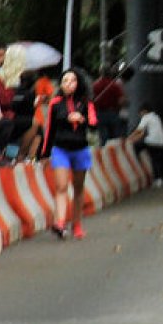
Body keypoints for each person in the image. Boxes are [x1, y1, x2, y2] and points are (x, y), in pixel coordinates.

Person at [41, 68, 98, 239]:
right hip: (60, 150)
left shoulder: (86, 103)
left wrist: (82, 119)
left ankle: (77, 224)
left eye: (72, 81)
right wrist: (44, 153)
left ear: (78, 83)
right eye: (65, 81)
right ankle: (60, 222)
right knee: (61, 186)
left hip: (80, 150)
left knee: (78, 188)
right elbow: (50, 129)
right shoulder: (55, 103)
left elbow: (94, 124)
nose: (68, 84)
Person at [127, 102, 163, 186]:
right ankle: (159, 179)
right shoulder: (156, 117)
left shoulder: (146, 117)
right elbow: (142, 134)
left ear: (144, 111)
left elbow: (139, 130)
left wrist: (129, 138)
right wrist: (135, 138)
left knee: (137, 146)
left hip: (151, 141)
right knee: (156, 160)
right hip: (161, 142)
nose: (140, 115)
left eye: (140, 113)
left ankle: (137, 159)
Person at [92, 64, 128, 141]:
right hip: (113, 113)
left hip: (100, 113)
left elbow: (90, 99)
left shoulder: (95, 85)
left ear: (100, 72)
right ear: (110, 73)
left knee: (103, 137)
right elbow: (121, 100)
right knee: (115, 137)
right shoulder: (114, 85)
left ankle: (105, 147)